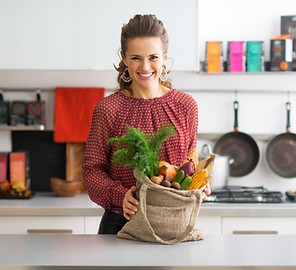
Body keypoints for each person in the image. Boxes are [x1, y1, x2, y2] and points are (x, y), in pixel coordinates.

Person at [82, 14, 211, 234]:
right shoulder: (108, 108)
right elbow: (92, 170)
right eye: (135, 58)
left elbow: (190, 159)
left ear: (165, 57)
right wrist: (120, 196)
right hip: (122, 222)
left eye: (153, 57)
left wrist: (198, 185)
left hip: (174, 223)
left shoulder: (186, 105)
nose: (145, 66)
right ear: (123, 58)